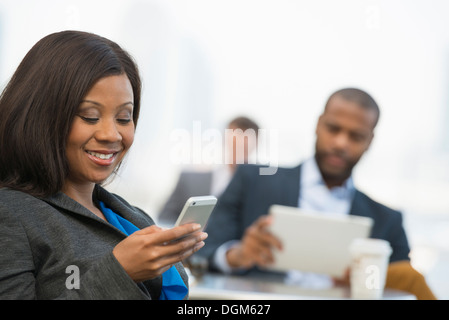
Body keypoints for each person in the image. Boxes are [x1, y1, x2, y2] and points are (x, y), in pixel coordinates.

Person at [0, 31, 207, 300]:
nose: (112, 135)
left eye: (123, 118)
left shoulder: (131, 216)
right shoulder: (10, 214)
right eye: (90, 116)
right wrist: (120, 273)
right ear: (40, 116)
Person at [198, 88, 436, 299]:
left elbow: (401, 291)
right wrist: (237, 255)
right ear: (318, 124)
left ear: (370, 141)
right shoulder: (252, 181)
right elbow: (201, 252)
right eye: (333, 128)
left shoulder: (388, 222)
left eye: (356, 136)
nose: (341, 143)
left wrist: (366, 279)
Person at [158, 116, 259, 226]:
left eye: (244, 145)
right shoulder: (189, 180)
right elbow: (164, 218)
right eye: (235, 142)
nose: (238, 149)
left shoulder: (258, 189)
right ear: (226, 140)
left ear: (255, 145)